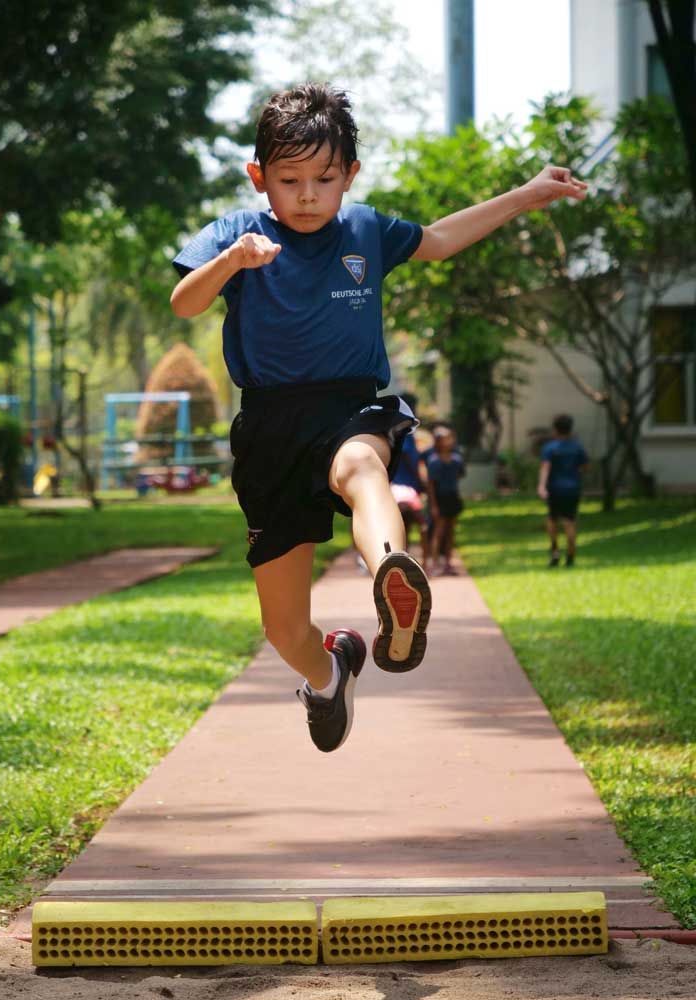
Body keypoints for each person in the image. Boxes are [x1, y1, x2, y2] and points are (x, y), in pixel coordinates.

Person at [170, 83, 587, 753]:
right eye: (290, 179)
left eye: (325, 178)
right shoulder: (236, 234)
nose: (308, 194)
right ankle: (330, 670)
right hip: (270, 428)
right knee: (284, 631)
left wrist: (530, 192)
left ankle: (394, 575)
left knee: (363, 465)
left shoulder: (366, 229)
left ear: (350, 176)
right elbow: (185, 303)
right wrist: (231, 262)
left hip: (352, 406)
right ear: (260, 178)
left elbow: (444, 239)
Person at [537, 414, 589, 567]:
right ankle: (571, 554)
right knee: (570, 521)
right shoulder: (577, 447)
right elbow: (585, 467)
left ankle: (554, 550)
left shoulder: (550, 448)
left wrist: (541, 485)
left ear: (555, 429)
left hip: (555, 489)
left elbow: (545, 467)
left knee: (552, 519)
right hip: (573, 488)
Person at [389, 392, 431, 572]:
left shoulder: (401, 429)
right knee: (419, 524)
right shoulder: (404, 429)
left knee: (403, 526)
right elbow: (406, 456)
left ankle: (403, 563)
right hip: (404, 486)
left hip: (399, 485)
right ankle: (419, 563)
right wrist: (420, 481)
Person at [426, 427, 465, 575]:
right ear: (438, 442)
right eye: (445, 438)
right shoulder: (434, 461)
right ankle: (434, 564)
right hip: (439, 499)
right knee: (438, 532)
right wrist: (433, 505)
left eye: (451, 438)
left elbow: (458, 476)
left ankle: (448, 564)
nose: (449, 441)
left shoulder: (457, 460)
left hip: (452, 497)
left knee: (450, 532)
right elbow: (430, 485)